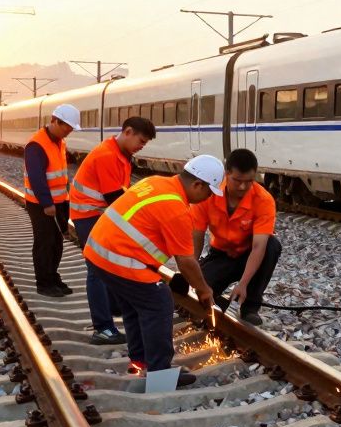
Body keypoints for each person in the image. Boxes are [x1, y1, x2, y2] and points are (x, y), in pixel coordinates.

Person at [82, 156, 222, 387]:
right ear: (198, 185)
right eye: (209, 192)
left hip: (99, 253)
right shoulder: (176, 209)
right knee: (158, 302)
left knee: (134, 304)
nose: (208, 198)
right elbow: (186, 262)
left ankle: (140, 362)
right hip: (119, 258)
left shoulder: (157, 182)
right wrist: (204, 290)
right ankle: (160, 378)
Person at [69, 116, 157, 345]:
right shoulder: (107, 156)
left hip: (99, 215)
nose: (142, 146)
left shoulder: (121, 154)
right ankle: (103, 328)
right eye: (141, 140)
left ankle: (114, 308)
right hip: (89, 215)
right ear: (127, 132)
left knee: (110, 266)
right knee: (97, 269)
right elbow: (114, 199)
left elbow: (121, 193)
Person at [190, 148, 281, 326]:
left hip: (250, 254)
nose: (242, 187)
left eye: (248, 182)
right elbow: (197, 236)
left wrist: (243, 284)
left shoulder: (263, 200)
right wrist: (191, 273)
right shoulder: (209, 194)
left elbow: (259, 247)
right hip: (221, 255)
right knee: (202, 288)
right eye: (237, 181)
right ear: (226, 174)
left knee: (272, 245)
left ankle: (250, 308)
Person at [23, 104, 79, 297]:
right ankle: (43, 283)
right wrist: (47, 203)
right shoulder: (36, 145)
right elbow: (37, 177)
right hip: (41, 205)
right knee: (44, 243)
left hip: (59, 202)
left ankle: (53, 277)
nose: (68, 132)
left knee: (56, 242)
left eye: (71, 129)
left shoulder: (59, 142)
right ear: (55, 121)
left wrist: (63, 201)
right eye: (66, 128)